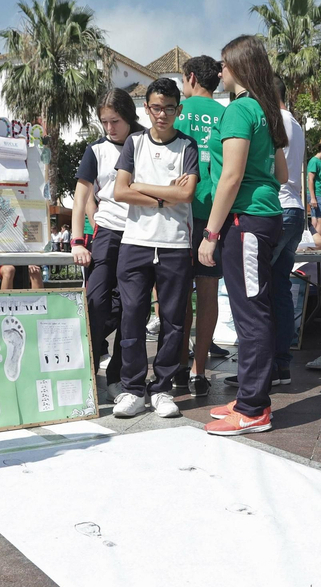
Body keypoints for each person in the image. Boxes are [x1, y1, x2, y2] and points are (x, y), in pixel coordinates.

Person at [201, 36, 288, 435]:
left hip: (246, 221)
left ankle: (253, 408)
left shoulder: (239, 110)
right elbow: (282, 175)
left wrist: (211, 233)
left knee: (251, 314)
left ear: (237, 66)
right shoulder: (267, 111)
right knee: (256, 308)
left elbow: (232, 176)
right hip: (263, 218)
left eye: (223, 65)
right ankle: (249, 398)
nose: (219, 72)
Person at [110, 78, 198, 419]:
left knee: (174, 320)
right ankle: (132, 388)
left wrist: (142, 188)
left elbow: (187, 194)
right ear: (146, 108)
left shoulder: (188, 146)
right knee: (132, 316)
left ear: (179, 109)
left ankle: (161, 388)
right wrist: (164, 193)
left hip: (175, 242)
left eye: (169, 108)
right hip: (136, 242)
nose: (162, 115)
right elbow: (120, 191)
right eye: (156, 107)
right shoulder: (133, 143)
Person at [73, 89, 141, 399]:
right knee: (95, 300)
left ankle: (117, 376)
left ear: (128, 117)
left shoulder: (146, 142)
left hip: (141, 233)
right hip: (108, 232)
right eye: (104, 122)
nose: (110, 128)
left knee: (132, 306)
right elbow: (82, 195)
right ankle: (88, 364)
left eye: (115, 121)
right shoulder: (96, 149)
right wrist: (78, 239)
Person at [173, 55, 226, 397]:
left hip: (180, 212)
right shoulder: (227, 113)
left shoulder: (177, 112)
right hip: (215, 214)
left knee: (177, 295)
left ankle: (178, 364)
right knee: (208, 293)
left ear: (191, 78)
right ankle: (200, 370)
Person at [269, 82, 308, 385]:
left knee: (257, 289)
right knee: (280, 289)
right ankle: (281, 364)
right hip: (294, 207)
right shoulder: (295, 122)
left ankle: (264, 368)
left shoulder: (274, 120)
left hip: (276, 207)